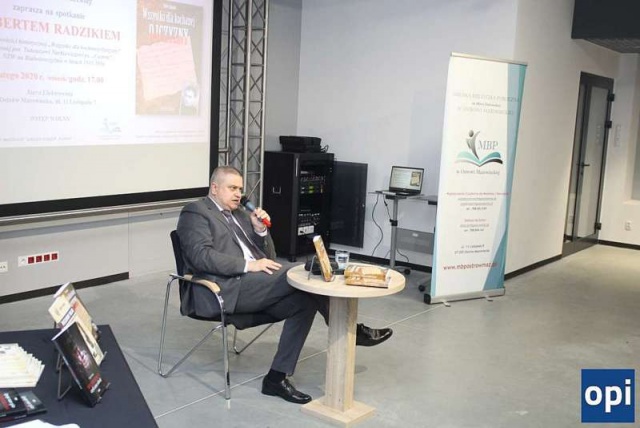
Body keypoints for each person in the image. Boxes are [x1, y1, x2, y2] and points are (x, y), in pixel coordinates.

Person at [176, 166, 393, 404]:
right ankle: (351, 329)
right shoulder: (195, 212)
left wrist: (260, 231)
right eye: (232, 188)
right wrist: (248, 265)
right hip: (222, 288)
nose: (238, 194)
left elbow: (269, 257)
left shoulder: (241, 214)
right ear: (215, 188)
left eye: (240, 189)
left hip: (254, 284)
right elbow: (201, 257)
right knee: (300, 274)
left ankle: (276, 378)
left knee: (304, 301)